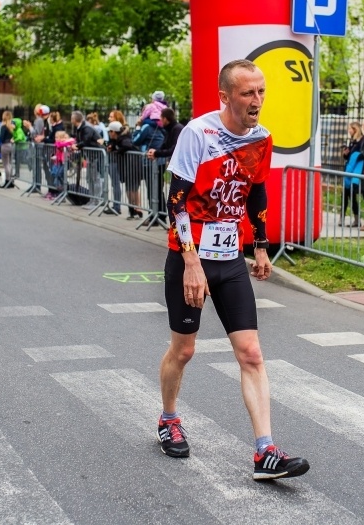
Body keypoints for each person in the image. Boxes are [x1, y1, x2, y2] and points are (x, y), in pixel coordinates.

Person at [157, 59, 309, 480]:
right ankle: (169, 419)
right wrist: (190, 262)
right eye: (248, 93)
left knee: (252, 353)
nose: (257, 100)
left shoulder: (262, 138)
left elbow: (255, 193)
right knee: (184, 350)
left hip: (230, 260)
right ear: (225, 96)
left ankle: (266, 452)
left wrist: (260, 246)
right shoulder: (198, 134)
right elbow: (175, 202)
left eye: (261, 91)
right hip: (190, 257)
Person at [145, 107, 183, 224]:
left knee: (177, 198)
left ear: (166, 119)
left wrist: (157, 153)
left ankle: (177, 224)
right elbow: (165, 144)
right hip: (176, 167)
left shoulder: (177, 129)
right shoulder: (170, 129)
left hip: (181, 168)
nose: (160, 121)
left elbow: (174, 149)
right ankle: (173, 223)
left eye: (161, 118)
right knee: (173, 198)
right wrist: (155, 152)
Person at [104, 121, 141, 217]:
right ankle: (132, 209)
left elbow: (127, 146)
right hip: (127, 165)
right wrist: (111, 147)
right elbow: (113, 144)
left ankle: (136, 209)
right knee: (129, 188)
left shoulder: (124, 138)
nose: (108, 134)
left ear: (113, 132)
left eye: (110, 132)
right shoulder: (116, 139)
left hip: (133, 164)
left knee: (133, 188)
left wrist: (117, 151)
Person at [339, 122, 364, 228]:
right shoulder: (352, 142)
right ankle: (342, 218)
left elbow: (358, 157)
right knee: (345, 195)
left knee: (352, 196)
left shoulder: (360, 142)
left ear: (355, 129)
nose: (348, 131)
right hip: (348, 170)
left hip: (354, 172)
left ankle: (357, 219)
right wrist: (346, 153)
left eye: (350, 129)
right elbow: (349, 157)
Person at [0, 111, 17, 189]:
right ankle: (11, 180)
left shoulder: (4, 126)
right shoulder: (13, 126)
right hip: (11, 145)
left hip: (5, 145)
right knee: (10, 163)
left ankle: (7, 180)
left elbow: (1, 138)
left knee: (6, 164)